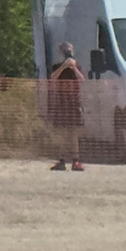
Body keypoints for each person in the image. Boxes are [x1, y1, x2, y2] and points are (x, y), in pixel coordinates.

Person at [45, 42, 85, 171]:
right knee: (62, 132)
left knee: (73, 133)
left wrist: (74, 68)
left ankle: (75, 161)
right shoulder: (57, 66)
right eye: (66, 50)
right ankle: (62, 160)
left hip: (74, 102)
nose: (68, 52)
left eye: (69, 50)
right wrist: (63, 66)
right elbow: (52, 78)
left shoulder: (77, 66)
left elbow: (82, 80)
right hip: (62, 103)